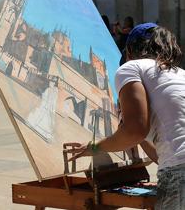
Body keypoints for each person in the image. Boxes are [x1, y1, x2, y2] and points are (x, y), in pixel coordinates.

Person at [64, 23, 185, 209]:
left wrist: (95, 147)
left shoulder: (130, 68)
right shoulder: (178, 74)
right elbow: (164, 153)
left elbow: (134, 130)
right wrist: (141, 137)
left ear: (130, 51)